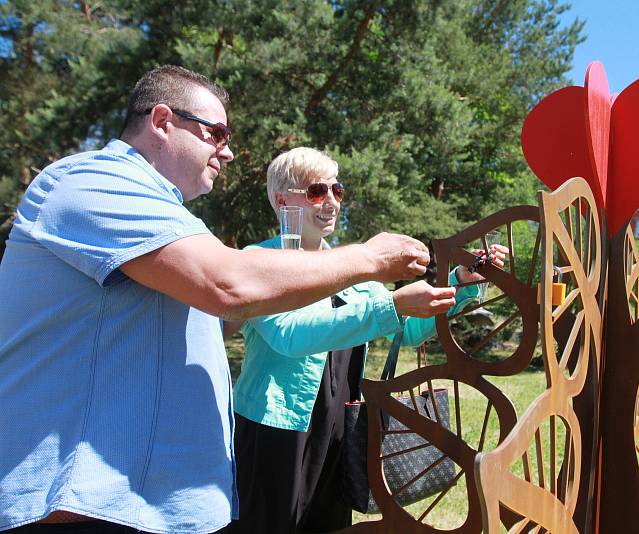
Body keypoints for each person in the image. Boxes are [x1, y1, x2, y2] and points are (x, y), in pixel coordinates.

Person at [0, 66, 442, 534]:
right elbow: (231, 288)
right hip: (84, 506)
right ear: (163, 121)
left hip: (154, 504)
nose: (228, 152)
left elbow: (208, 318)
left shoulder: (175, 222)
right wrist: (372, 260)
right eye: (217, 133)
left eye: (337, 189)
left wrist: (460, 285)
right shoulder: (94, 180)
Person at [229, 147, 506, 533]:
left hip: (341, 424)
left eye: (337, 191)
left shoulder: (352, 268)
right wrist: (390, 303)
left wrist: (458, 285)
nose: (331, 202)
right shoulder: (257, 260)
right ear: (282, 200)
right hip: (277, 427)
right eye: (317, 191)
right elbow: (289, 336)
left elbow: (405, 329)